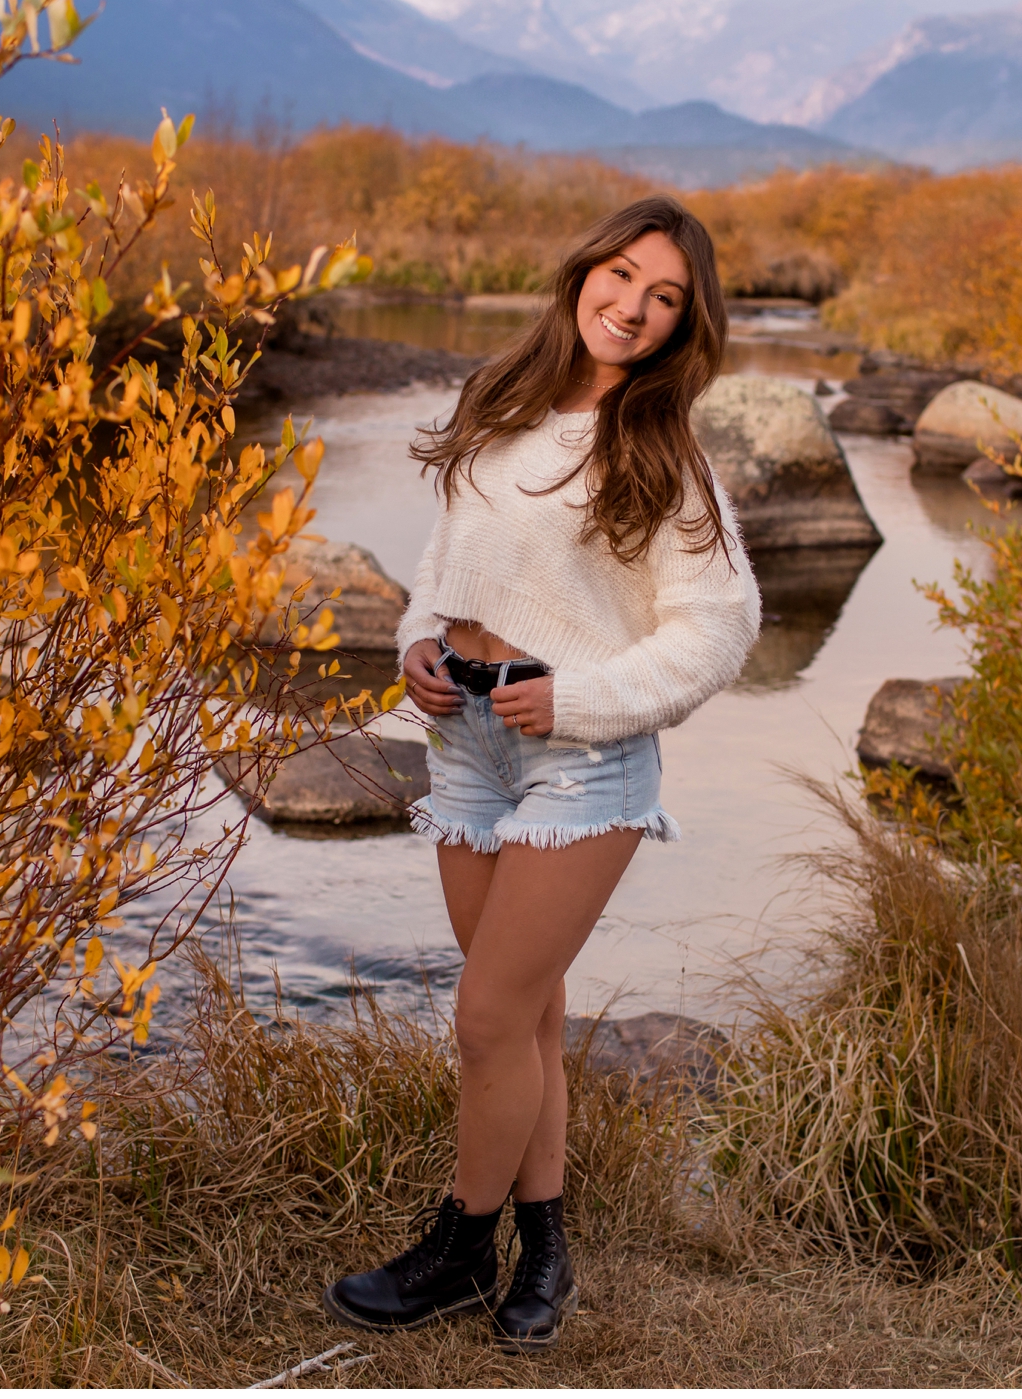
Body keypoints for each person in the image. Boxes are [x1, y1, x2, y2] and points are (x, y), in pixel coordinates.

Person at [320, 196, 760, 1353]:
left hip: (585, 759)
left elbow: (720, 628)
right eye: (624, 277)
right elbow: (446, 559)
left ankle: (461, 1249)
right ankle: (545, 1252)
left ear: (683, 325)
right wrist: (417, 641)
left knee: (484, 1013)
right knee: (526, 1016)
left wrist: (577, 697)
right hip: (465, 739)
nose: (635, 307)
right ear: (583, 274)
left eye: (666, 298)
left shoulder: (660, 452)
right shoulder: (501, 401)